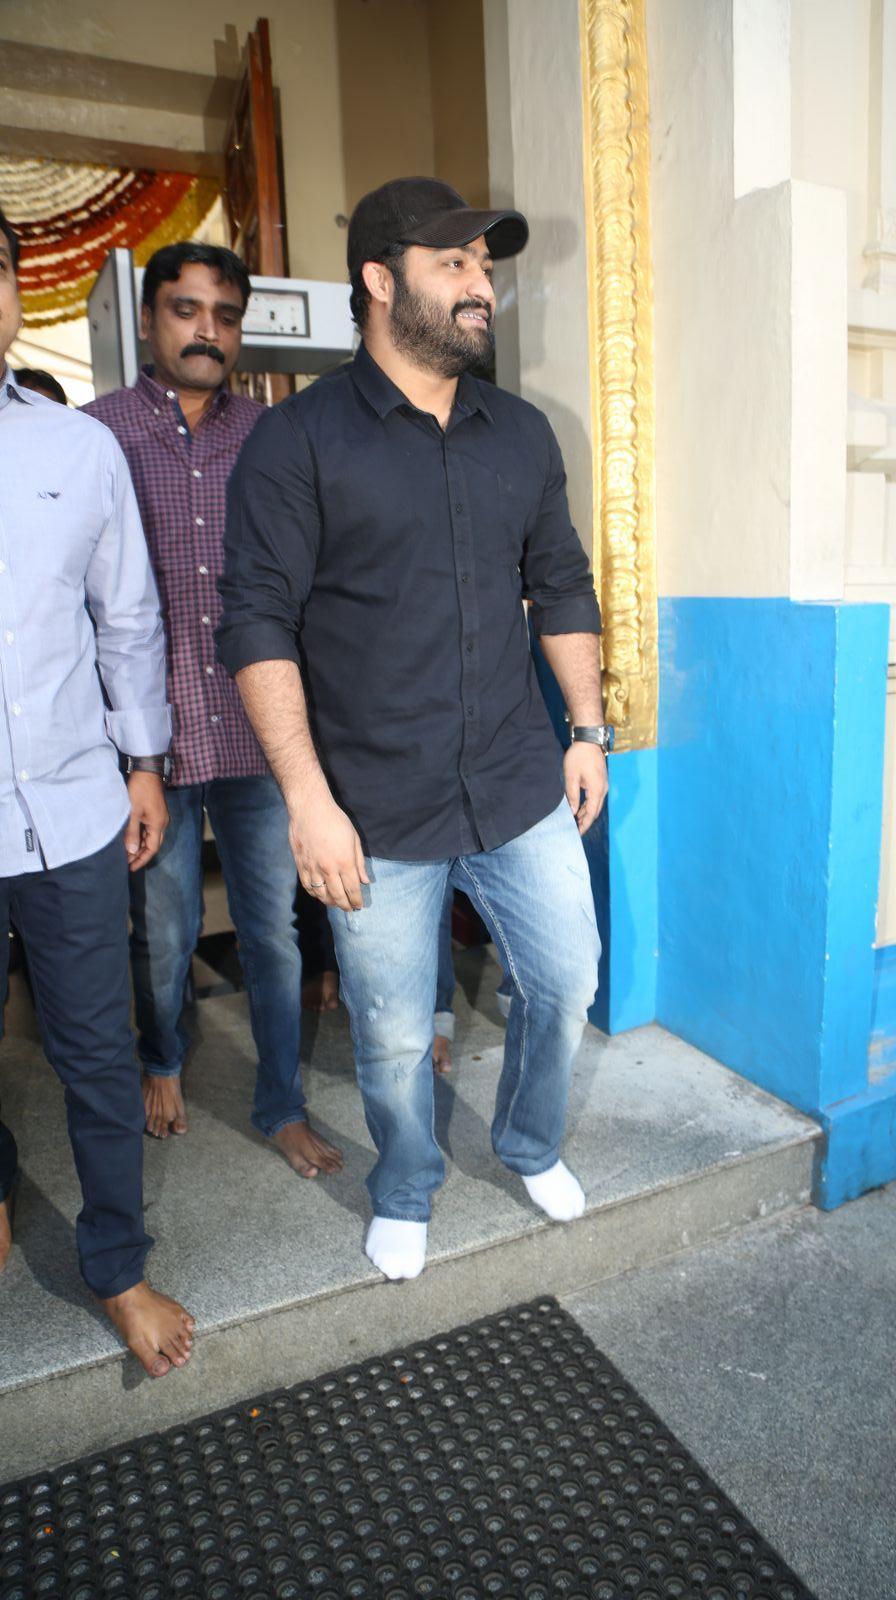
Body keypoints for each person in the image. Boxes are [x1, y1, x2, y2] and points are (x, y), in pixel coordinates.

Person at [219, 177, 610, 1282]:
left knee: (566, 982)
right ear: (380, 281)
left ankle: (528, 1143)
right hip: (374, 807)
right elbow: (256, 623)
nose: (481, 285)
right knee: (393, 1032)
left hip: (516, 781)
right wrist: (307, 801)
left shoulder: (520, 433)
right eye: (454, 264)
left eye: (484, 265)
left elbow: (560, 584)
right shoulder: (295, 442)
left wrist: (587, 730)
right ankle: (403, 1185)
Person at [83, 242, 341, 1180]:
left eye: (225, 316)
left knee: (271, 929)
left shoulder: (277, 433)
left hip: (255, 729)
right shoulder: (94, 434)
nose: (207, 331)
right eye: (186, 310)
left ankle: (281, 1104)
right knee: (164, 929)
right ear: (148, 317)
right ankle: (162, 1056)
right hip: (143, 739)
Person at [0, 208, 194, 1376]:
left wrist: (144, 763)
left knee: (97, 1056)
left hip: (71, 814)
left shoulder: (75, 451)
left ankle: (116, 1266)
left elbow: (127, 619)